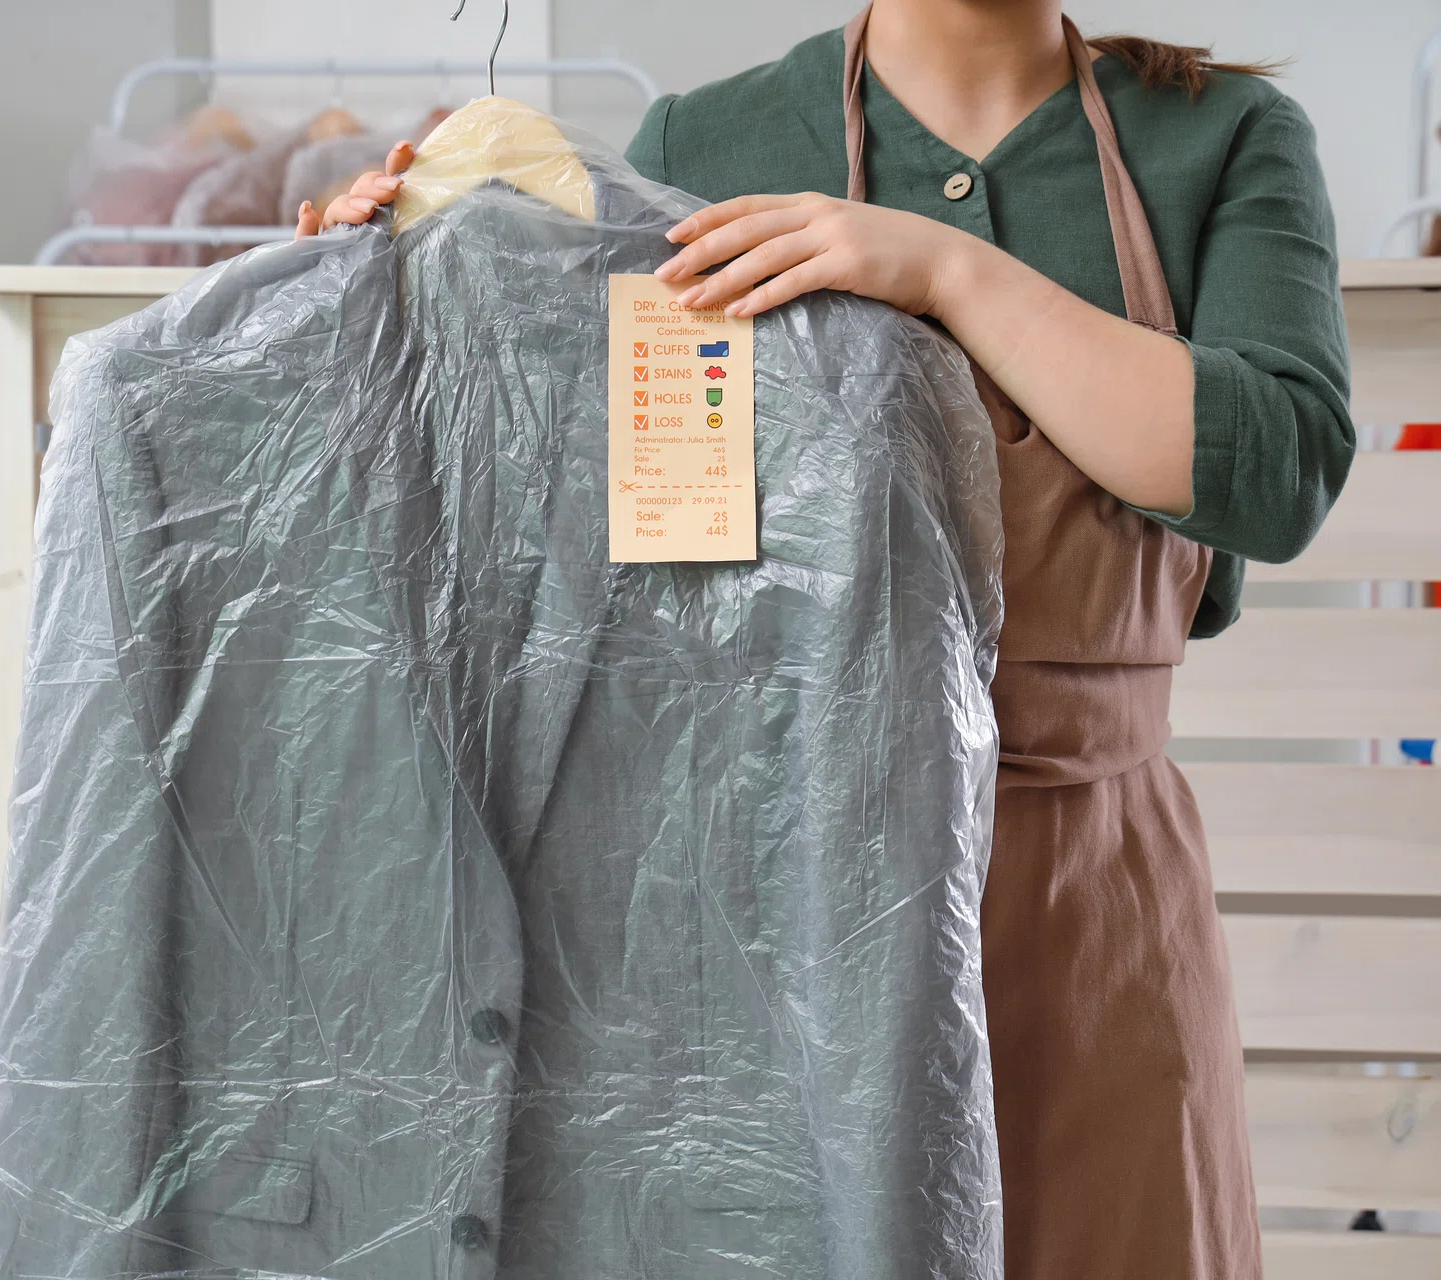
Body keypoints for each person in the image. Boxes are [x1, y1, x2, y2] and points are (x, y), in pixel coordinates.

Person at [298, 2, 1353, 1276]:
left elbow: (1273, 471)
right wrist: (397, 298)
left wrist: (944, 268)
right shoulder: (708, 135)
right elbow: (587, 519)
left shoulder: (1225, 135)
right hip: (771, 918)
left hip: (1087, 919)